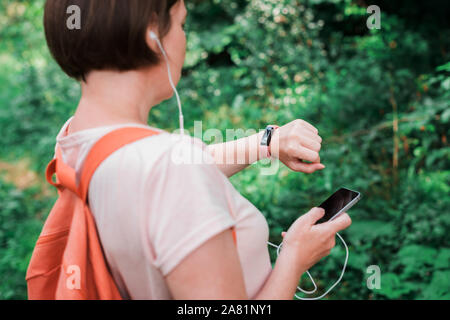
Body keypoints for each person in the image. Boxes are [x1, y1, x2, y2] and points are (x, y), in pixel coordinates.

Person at [43, 0, 352, 299]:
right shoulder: (168, 171)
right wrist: (294, 260)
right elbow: (174, 177)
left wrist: (268, 143)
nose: (184, 38)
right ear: (152, 35)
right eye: (181, 23)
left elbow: (170, 177)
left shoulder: (77, 137)